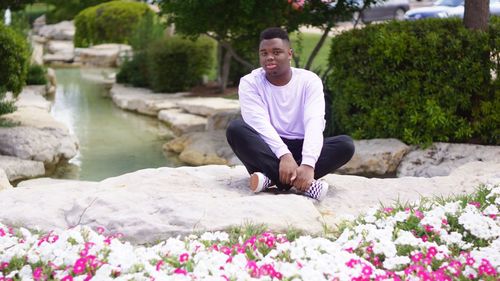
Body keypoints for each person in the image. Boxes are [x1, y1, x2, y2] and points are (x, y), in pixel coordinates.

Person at [226, 27, 355, 202]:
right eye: (264, 53)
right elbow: (258, 123)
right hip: (268, 150)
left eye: (276, 52)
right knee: (236, 129)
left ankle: (271, 180)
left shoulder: (309, 81)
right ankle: (306, 185)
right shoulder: (250, 83)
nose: (269, 57)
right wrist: (283, 155)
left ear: (289, 54)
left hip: (301, 149)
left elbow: (314, 122)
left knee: (345, 145)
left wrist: (308, 164)